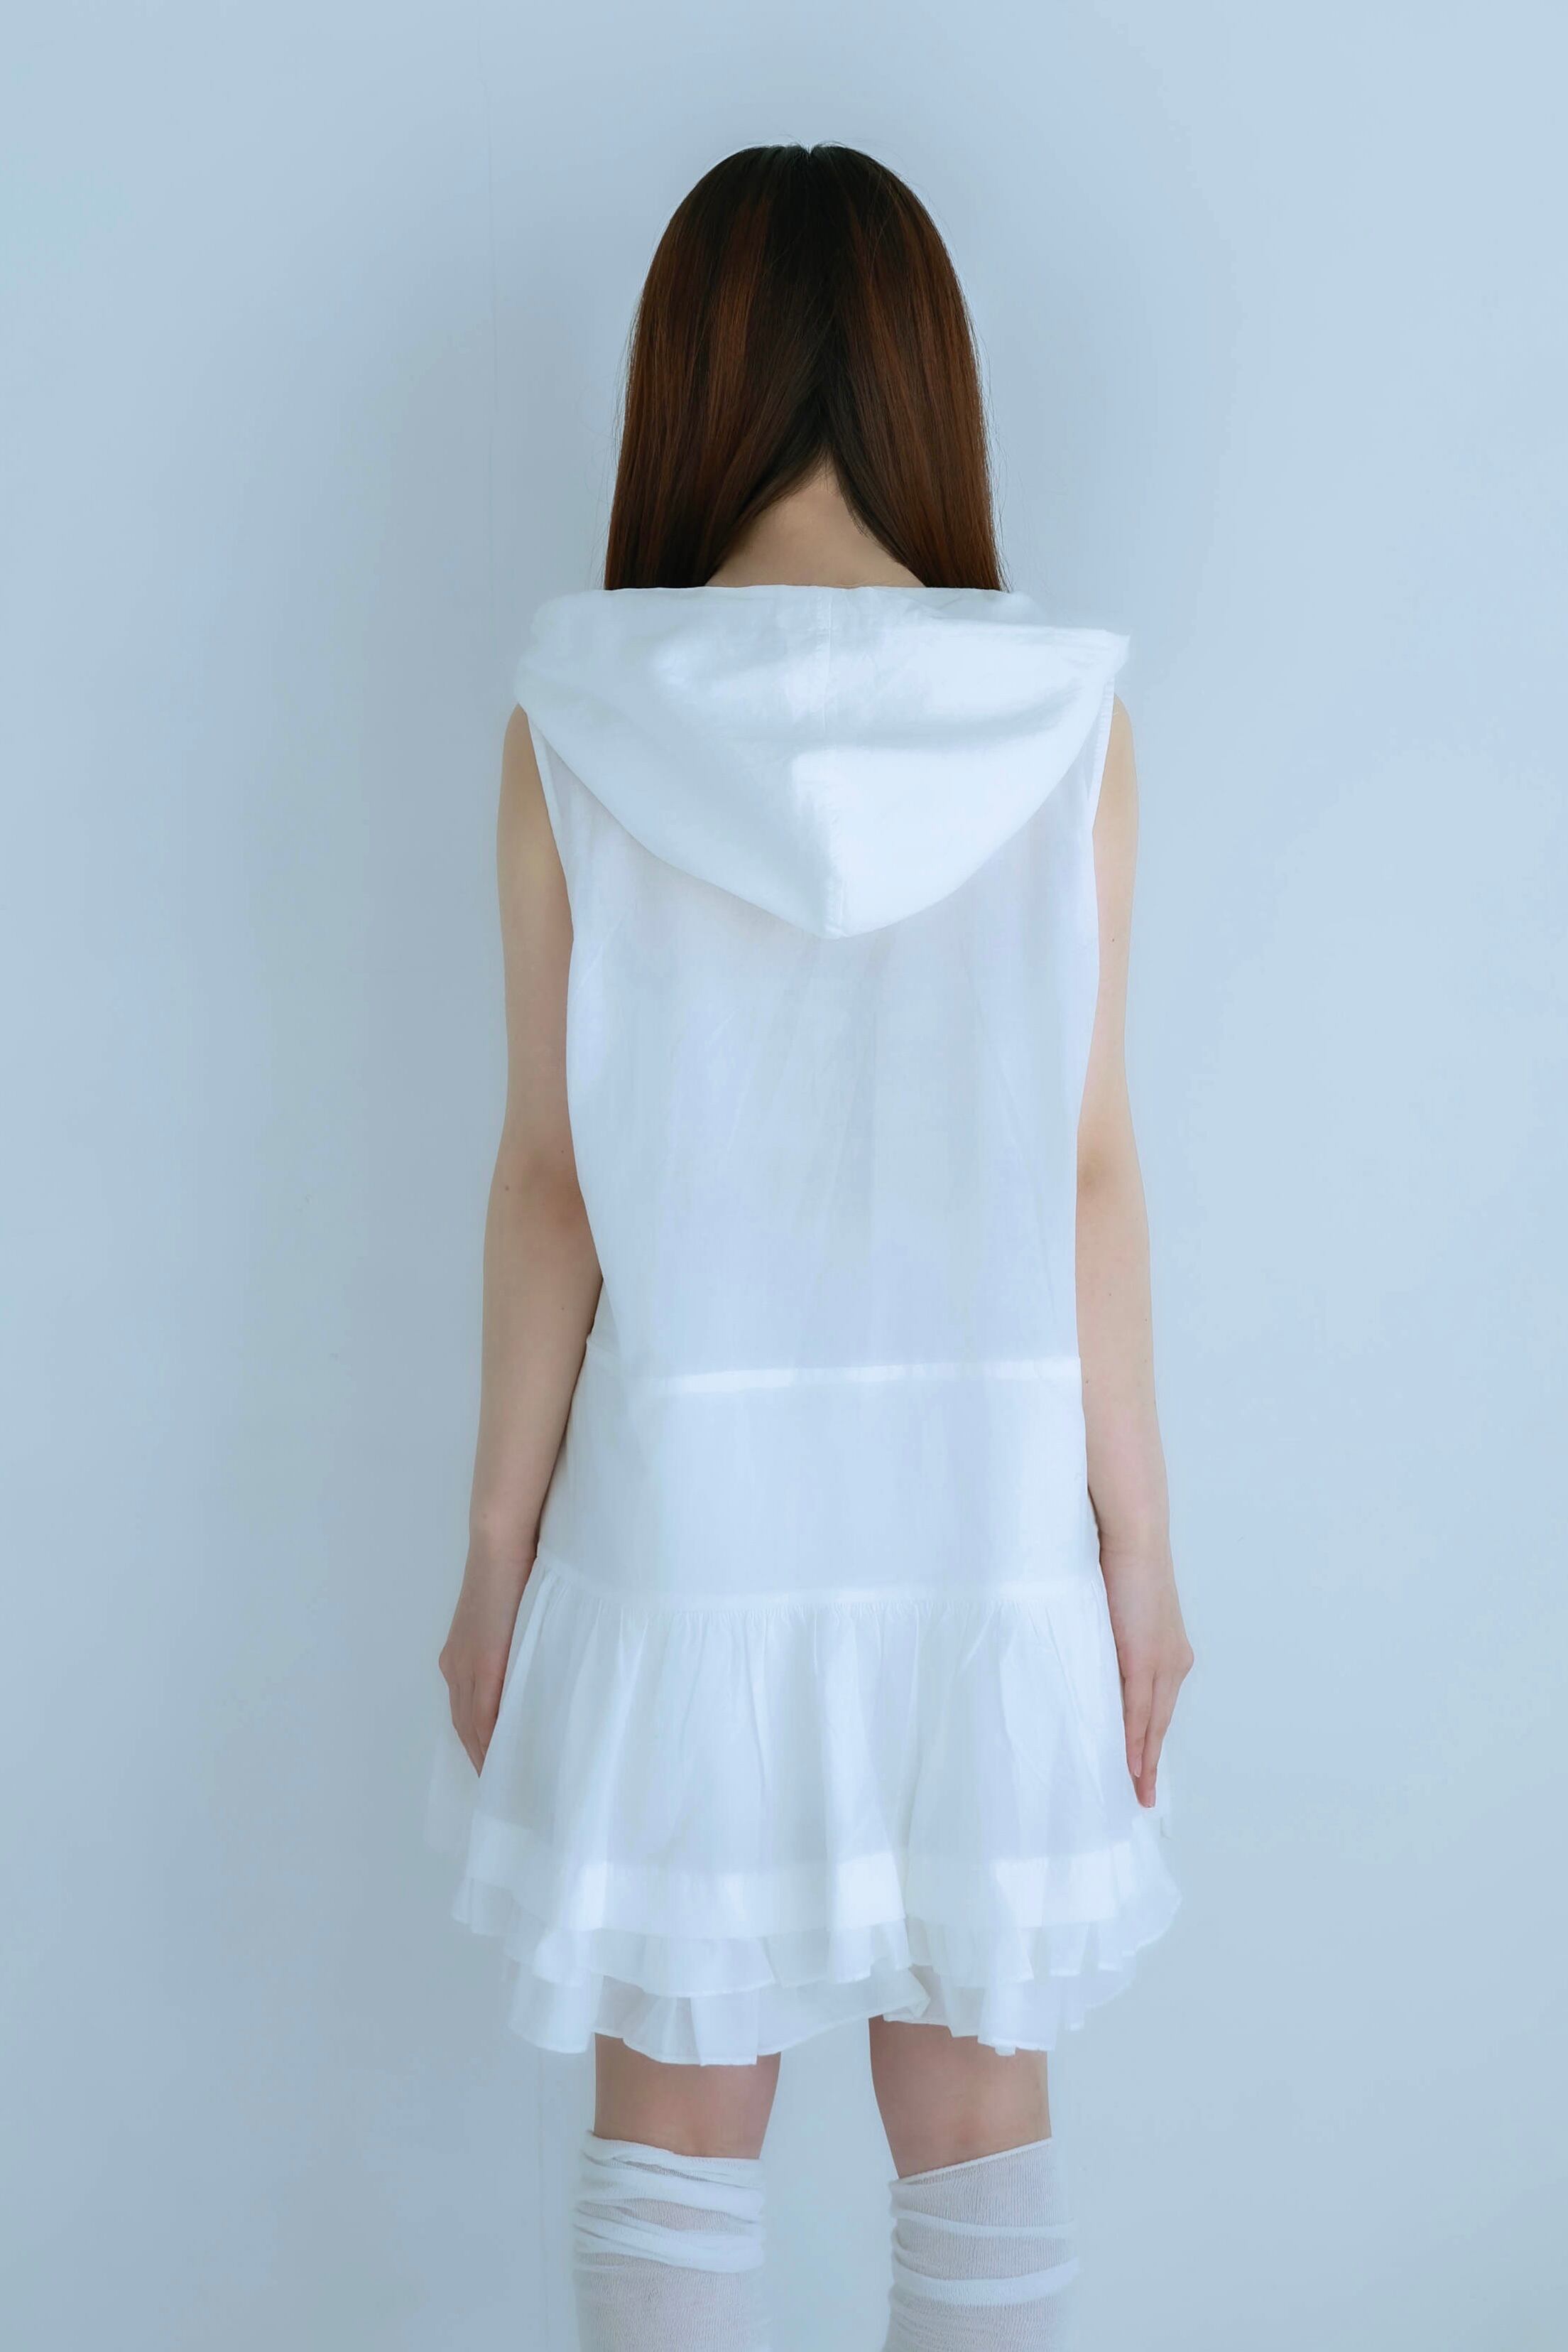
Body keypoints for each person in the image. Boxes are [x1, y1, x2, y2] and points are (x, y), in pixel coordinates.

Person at [434, 141, 1194, 2350]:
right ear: (927, 382)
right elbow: (1089, 1167)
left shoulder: (577, 724)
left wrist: (496, 1552)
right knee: (977, 2130)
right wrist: (1140, 1550)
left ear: (687, 381)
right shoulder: (1063, 722)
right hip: (978, 1514)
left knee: (675, 2141)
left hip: (690, 1516)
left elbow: (550, 1179)